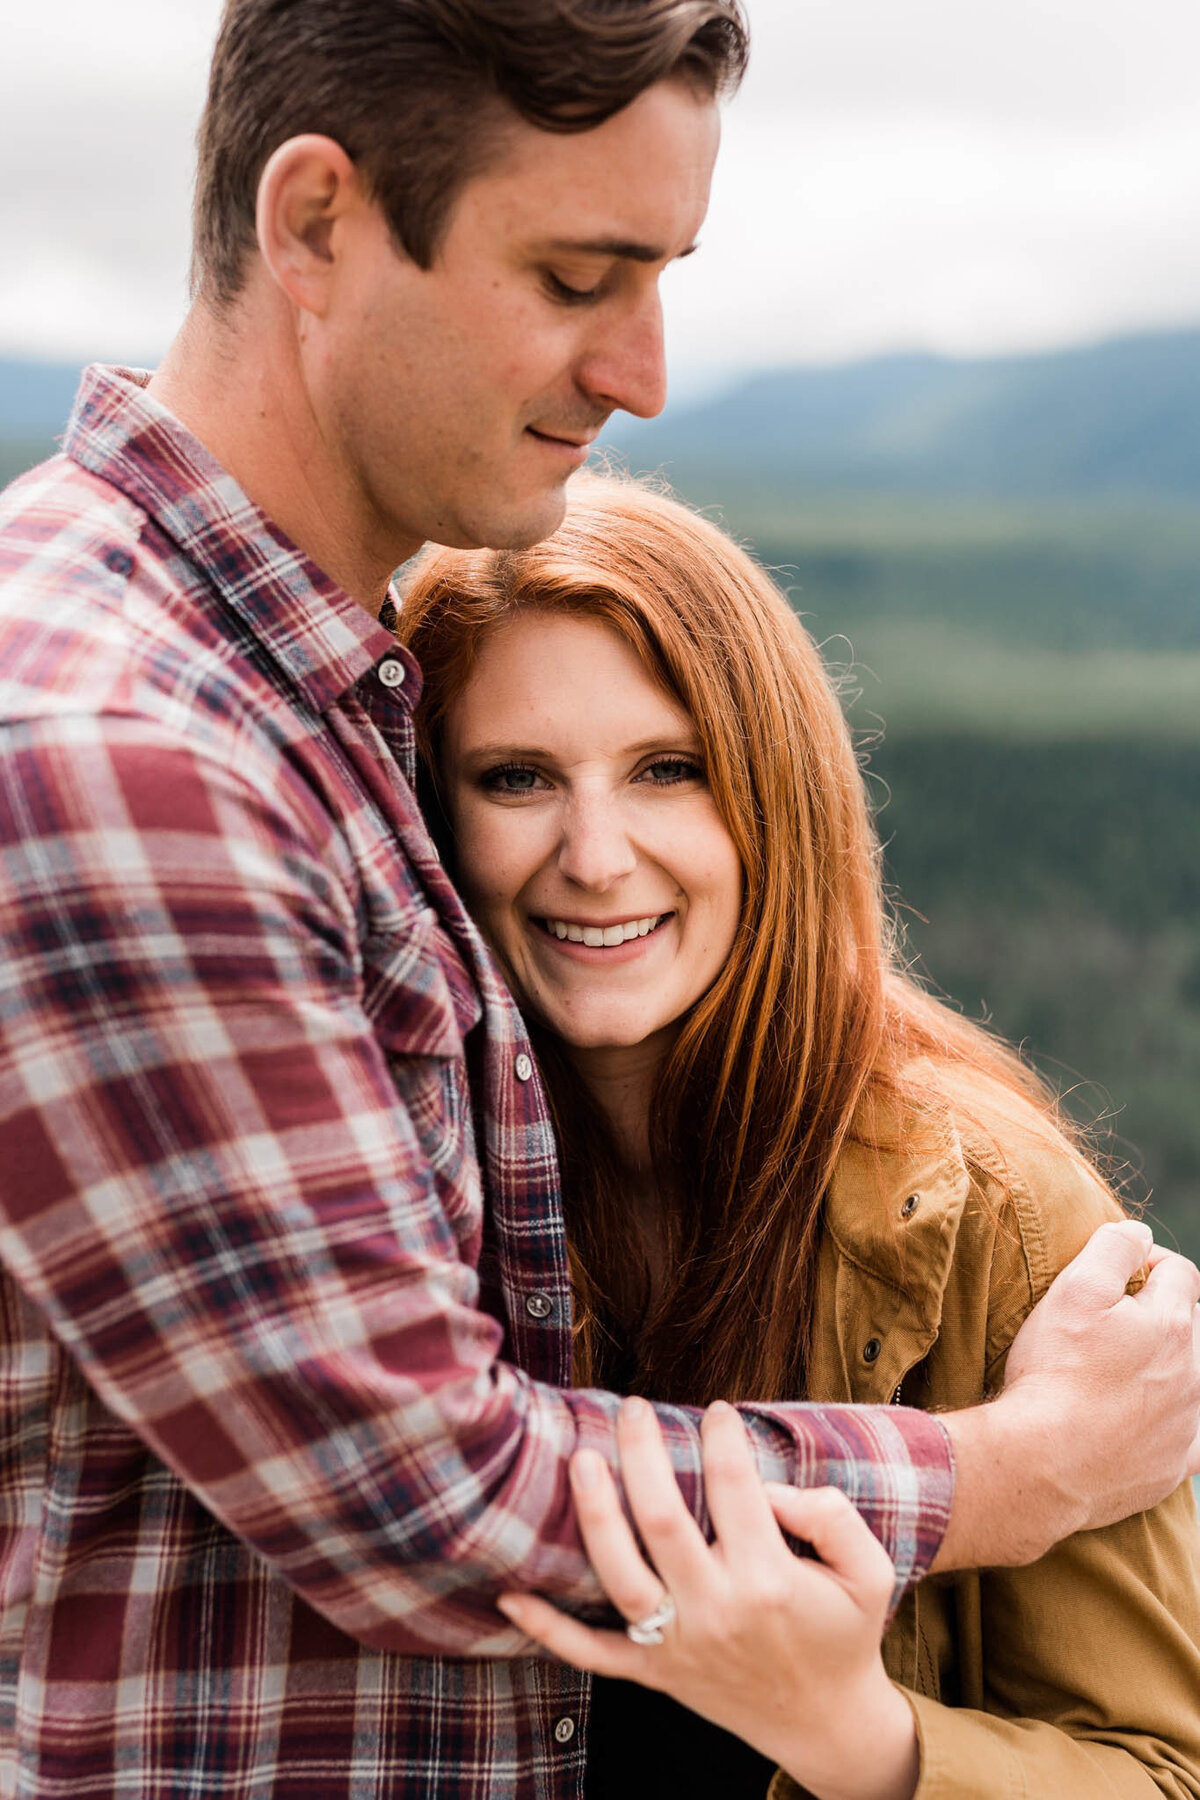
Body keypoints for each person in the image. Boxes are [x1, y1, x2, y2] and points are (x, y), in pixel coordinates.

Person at [0, 4, 1196, 1797]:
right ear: (316, 223)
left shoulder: (303, 698)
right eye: (577, 274)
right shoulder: (128, 750)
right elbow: (438, 1496)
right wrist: (1010, 1474)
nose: (643, 370)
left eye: (669, 768)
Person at [397, 472, 1200, 1798]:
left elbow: (1162, 1769)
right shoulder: (398, 1162)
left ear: (776, 791)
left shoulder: (987, 1213)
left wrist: (858, 1740)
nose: (595, 856)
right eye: (517, 777)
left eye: (669, 769)